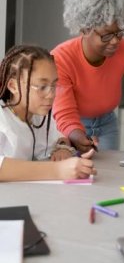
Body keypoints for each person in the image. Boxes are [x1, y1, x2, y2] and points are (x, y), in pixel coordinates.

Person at [51, 0, 124, 153]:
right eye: (106, 36)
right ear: (84, 30)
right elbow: (65, 111)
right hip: (71, 126)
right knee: (77, 176)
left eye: (119, 32)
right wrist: (77, 136)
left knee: (108, 173)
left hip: (107, 123)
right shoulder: (61, 57)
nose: (115, 41)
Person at [0, 45, 96, 182]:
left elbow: (58, 139)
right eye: (42, 87)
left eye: (54, 86)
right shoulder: (2, 117)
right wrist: (58, 170)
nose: (51, 95)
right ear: (13, 86)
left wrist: (62, 149)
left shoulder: (39, 116)